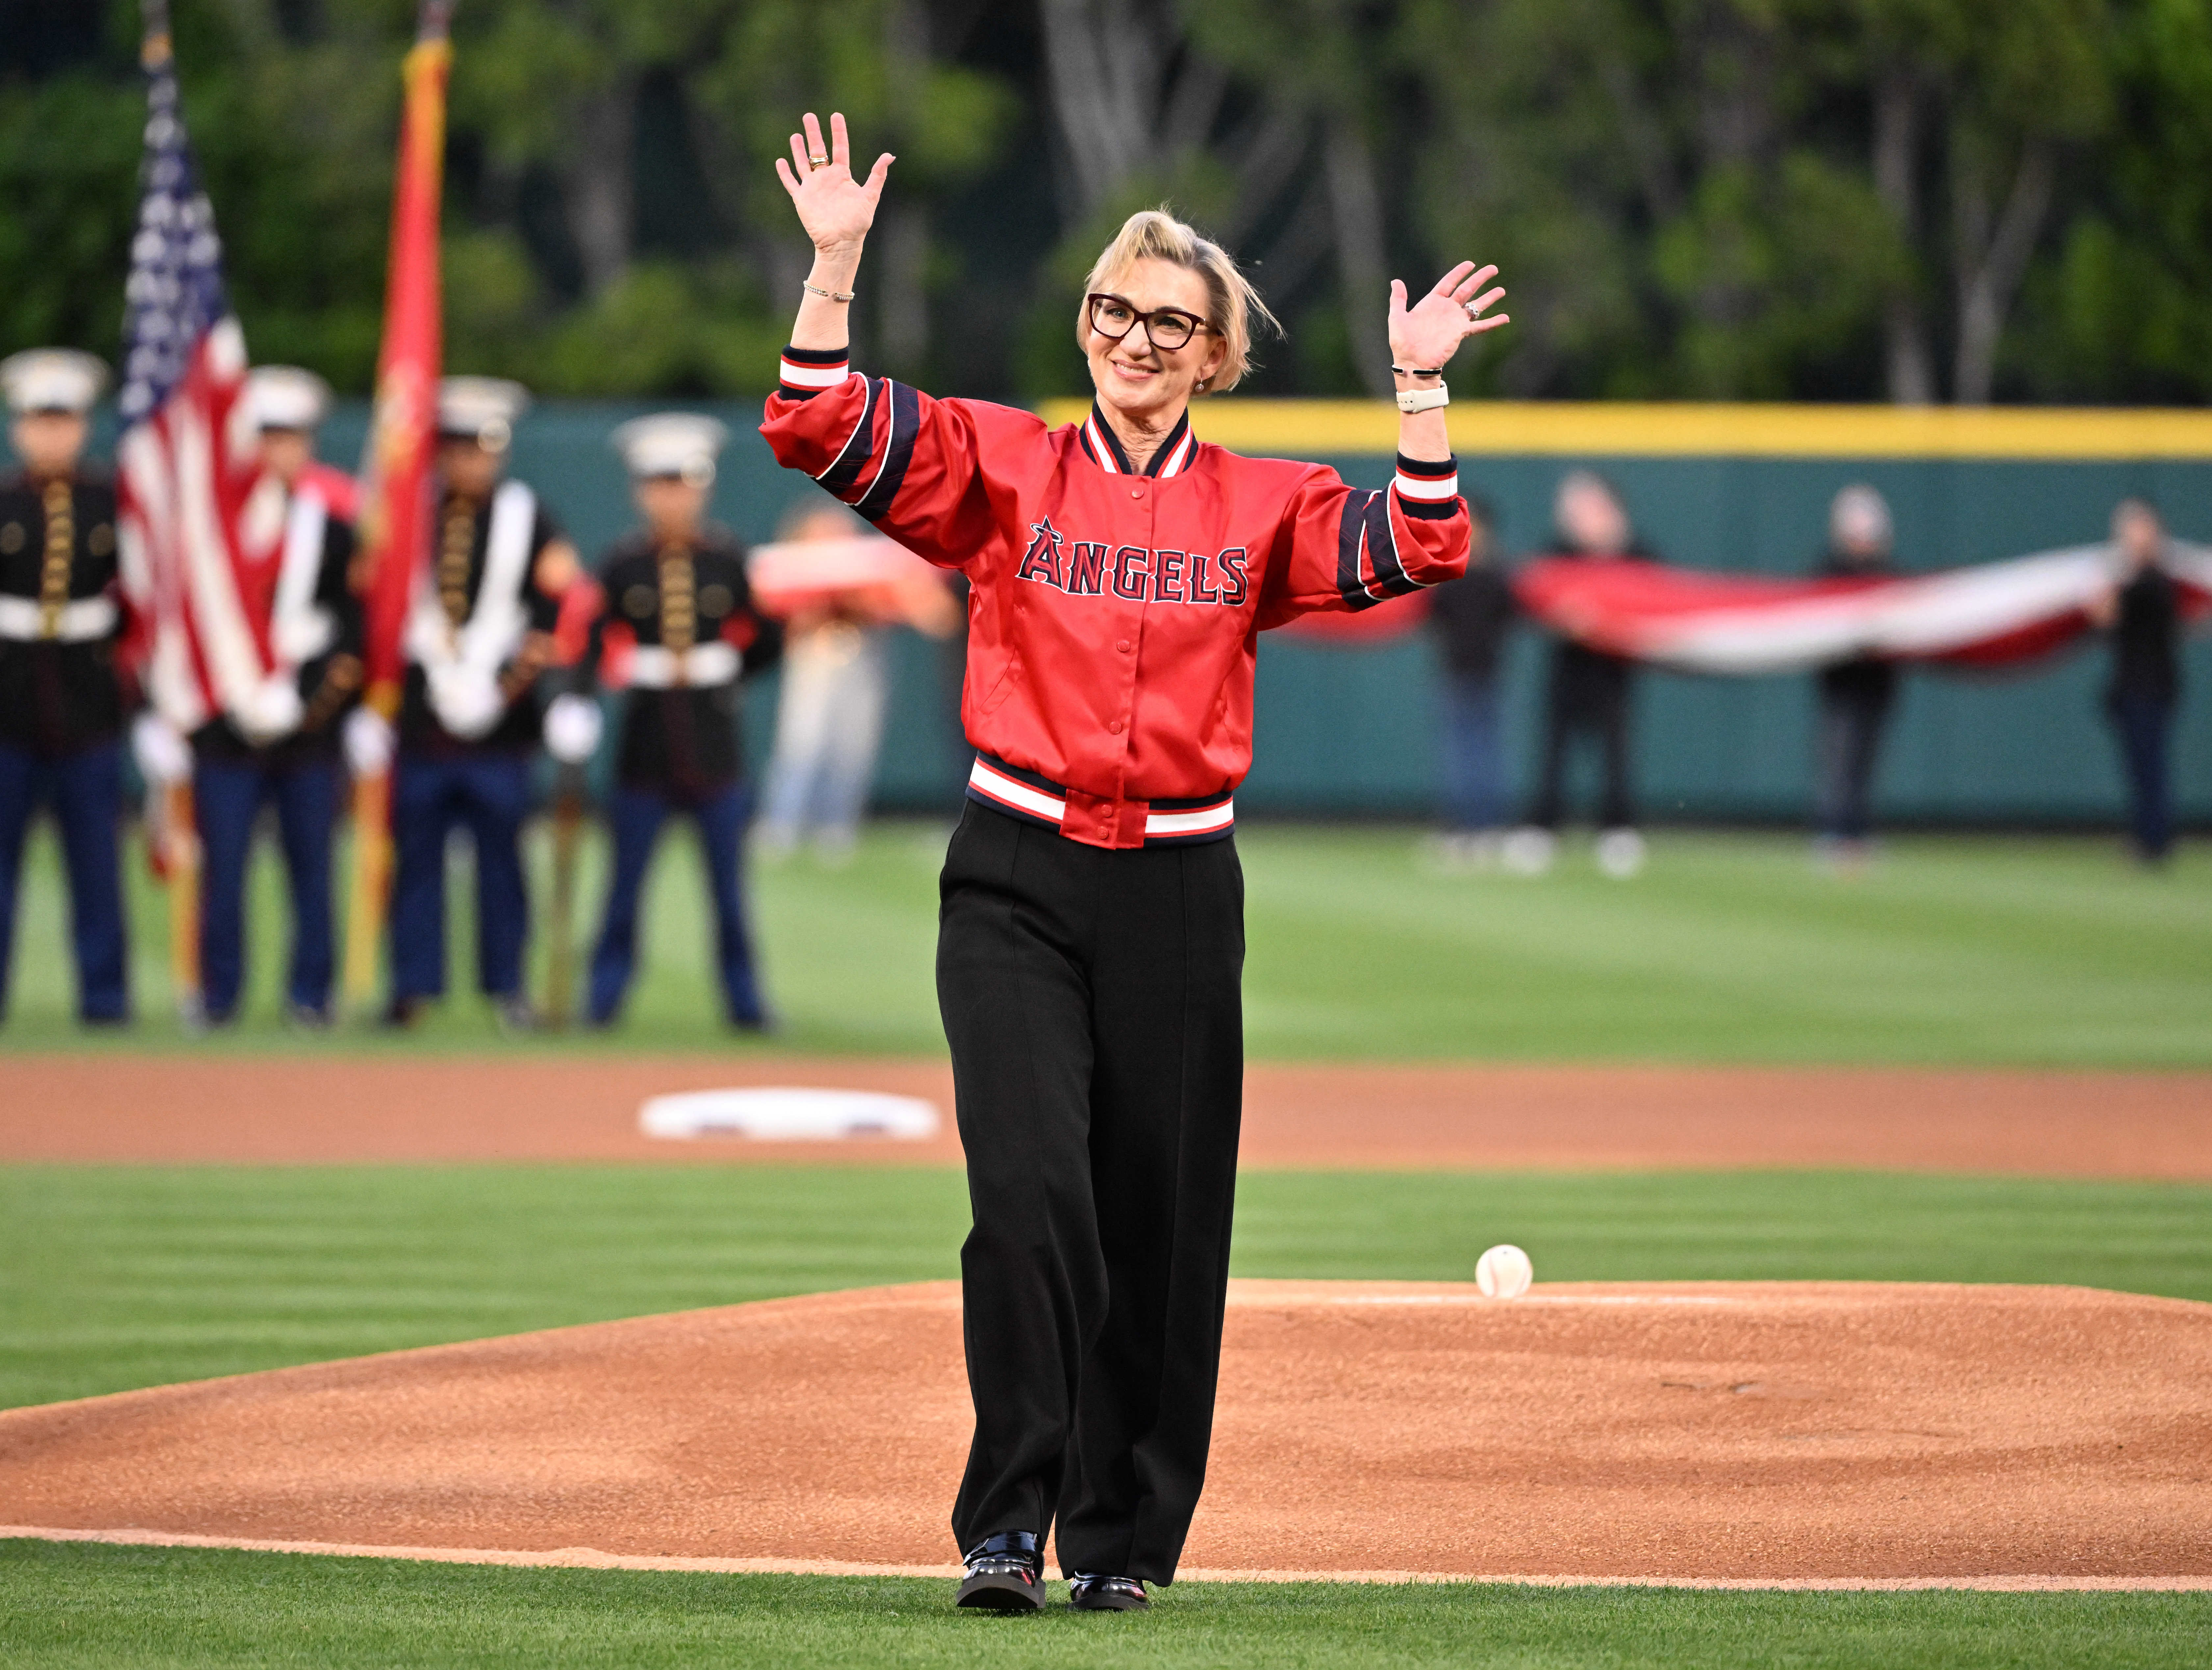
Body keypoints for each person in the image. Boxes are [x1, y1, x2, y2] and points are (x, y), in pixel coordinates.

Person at [761, 112, 1498, 1612]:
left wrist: (1417, 388)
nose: (1137, 338)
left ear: (1217, 354)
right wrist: (833, 263)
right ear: (1084, 321)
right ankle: (1002, 1525)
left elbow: (1419, 548)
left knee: (1160, 1220)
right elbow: (817, 423)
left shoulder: (1262, 503)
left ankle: (1120, 1544)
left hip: (1173, 883)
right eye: (1115, 310)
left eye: (1172, 321)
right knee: (1027, 1193)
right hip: (1016, 868)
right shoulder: (1005, 465)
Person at [557, 413, 784, 1029]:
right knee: (623, 892)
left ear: (703, 488)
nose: (673, 497)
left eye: (685, 483)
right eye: (660, 484)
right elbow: (590, 642)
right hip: (644, 752)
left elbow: (767, 636)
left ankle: (746, 1007)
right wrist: (577, 705)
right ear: (640, 490)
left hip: (716, 752)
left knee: (729, 897)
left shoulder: (726, 561)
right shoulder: (622, 565)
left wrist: (726, 667)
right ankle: (601, 1002)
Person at [377, 376, 581, 1030]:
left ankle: (506, 988)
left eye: (483, 451)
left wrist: (502, 691)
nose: (472, 462)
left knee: (502, 865)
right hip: (422, 726)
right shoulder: (409, 514)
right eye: (460, 449)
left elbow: (553, 616)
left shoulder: (531, 517)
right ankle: (411, 986)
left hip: (499, 731)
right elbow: (380, 606)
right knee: (416, 862)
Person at [169, 367, 364, 1026]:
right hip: (225, 728)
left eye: (291, 437)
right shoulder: (211, 527)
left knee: (312, 865)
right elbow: (188, 620)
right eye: (266, 437)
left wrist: (312, 703)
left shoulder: (333, 528)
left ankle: (312, 992)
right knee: (223, 865)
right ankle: (218, 994)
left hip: (308, 731)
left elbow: (353, 629)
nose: (278, 451)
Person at [0, 349, 132, 1027]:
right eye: (39, 420)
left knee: (96, 862)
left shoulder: (110, 501)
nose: (53, 434)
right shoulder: (6, 501)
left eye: (65, 420)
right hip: (10, 700)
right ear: (20, 428)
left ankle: (105, 999)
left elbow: (139, 597)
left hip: (87, 700)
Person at [754, 501, 960, 863]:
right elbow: (777, 602)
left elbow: (933, 613)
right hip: (815, 653)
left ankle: (835, 829)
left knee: (852, 748)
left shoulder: (874, 567)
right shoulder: (800, 566)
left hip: (862, 653)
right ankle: (780, 826)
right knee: (802, 744)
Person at [1508, 470, 1649, 879]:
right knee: (1553, 753)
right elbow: (1532, 594)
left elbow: (1658, 596)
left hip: (1613, 670)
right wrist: (1563, 616)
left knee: (1616, 755)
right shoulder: (1558, 553)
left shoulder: (1633, 551)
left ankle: (1618, 830)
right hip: (1568, 668)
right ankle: (1542, 828)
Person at [1810, 484, 1901, 872]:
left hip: (1878, 683)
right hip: (1840, 681)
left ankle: (1858, 829)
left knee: (1865, 758)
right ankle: (1835, 829)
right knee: (1839, 754)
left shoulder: (1890, 576)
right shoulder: (1828, 572)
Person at [2088, 497, 2184, 866]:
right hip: (2132, 687)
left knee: (2150, 765)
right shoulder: (2135, 578)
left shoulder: (2152, 580)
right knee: (2140, 766)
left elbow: (2105, 613)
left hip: (2150, 688)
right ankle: (2147, 836)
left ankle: (2154, 840)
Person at [1422, 495, 1513, 867]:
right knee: (1467, 755)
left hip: (1480, 676)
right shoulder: (1461, 576)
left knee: (1475, 755)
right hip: (1461, 675)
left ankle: (1478, 827)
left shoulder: (1492, 577)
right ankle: (1468, 827)